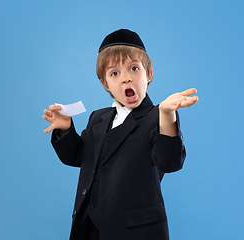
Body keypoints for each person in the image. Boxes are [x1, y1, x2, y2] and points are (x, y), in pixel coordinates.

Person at [42, 29, 198, 240]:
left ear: (149, 74)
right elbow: (79, 157)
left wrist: (167, 115)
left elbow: (169, 163)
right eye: (115, 73)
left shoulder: (157, 116)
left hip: (135, 231)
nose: (126, 78)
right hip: (89, 228)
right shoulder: (98, 118)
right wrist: (65, 129)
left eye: (134, 68)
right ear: (105, 84)